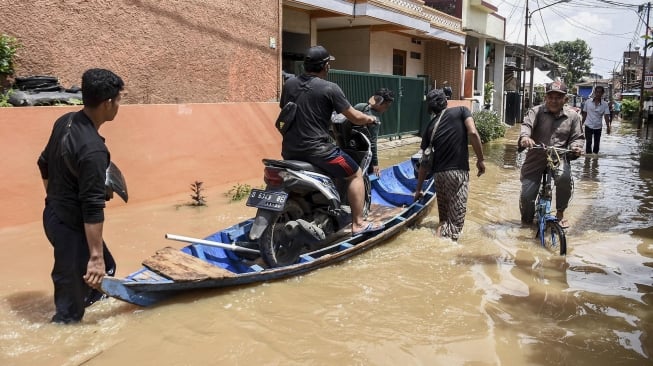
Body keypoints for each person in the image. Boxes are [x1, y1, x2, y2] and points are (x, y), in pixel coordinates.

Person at [37, 68, 125, 324]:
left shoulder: (65, 120)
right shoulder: (93, 150)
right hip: (70, 228)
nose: (119, 105)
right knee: (68, 313)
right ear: (108, 103)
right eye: (119, 99)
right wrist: (93, 258)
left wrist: (55, 198)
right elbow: (92, 206)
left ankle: (94, 313)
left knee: (107, 269)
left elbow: (42, 163)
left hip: (52, 215)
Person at [280, 45, 381, 236]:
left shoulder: (289, 84)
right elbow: (355, 117)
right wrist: (370, 119)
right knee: (355, 173)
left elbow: (286, 110)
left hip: (290, 150)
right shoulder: (330, 88)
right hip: (319, 151)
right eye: (329, 64)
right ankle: (358, 224)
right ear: (325, 66)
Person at [413, 89, 485, 241]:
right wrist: (480, 159)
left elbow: (424, 162)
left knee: (444, 220)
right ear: (445, 101)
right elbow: (472, 133)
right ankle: (443, 253)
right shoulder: (462, 111)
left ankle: (437, 242)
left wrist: (418, 189)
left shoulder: (430, 127)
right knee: (455, 224)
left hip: (439, 177)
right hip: (457, 174)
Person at [518, 80, 584, 228]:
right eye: (551, 97)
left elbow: (577, 138)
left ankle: (560, 213)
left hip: (558, 158)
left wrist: (576, 147)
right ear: (545, 98)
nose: (554, 100)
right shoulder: (536, 111)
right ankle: (527, 221)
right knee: (527, 196)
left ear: (565, 99)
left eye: (558, 97)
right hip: (535, 158)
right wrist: (525, 138)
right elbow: (526, 126)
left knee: (564, 178)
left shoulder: (573, 117)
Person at [353, 88, 394, 176]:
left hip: (349, 146)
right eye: (386, 106)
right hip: (362, 152)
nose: (386, 109)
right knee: (368, 174)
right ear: (380, 103)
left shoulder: (360, 106)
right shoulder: (375, 119)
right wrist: (375, 164)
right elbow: (372, 142)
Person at [581, 86, 610, 153]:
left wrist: (608, 127)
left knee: (597, 144)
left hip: (598, 127)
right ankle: (587, 159)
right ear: (594, 93)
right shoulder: (588, 102)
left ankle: (595, 160)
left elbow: (606, 116)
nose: (598, 94)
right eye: (597, 92)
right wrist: (581, 125)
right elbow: (584, 114)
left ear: (602, 93)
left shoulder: (605, 104)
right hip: (588, 125)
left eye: (600, 92)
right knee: (589, 142)